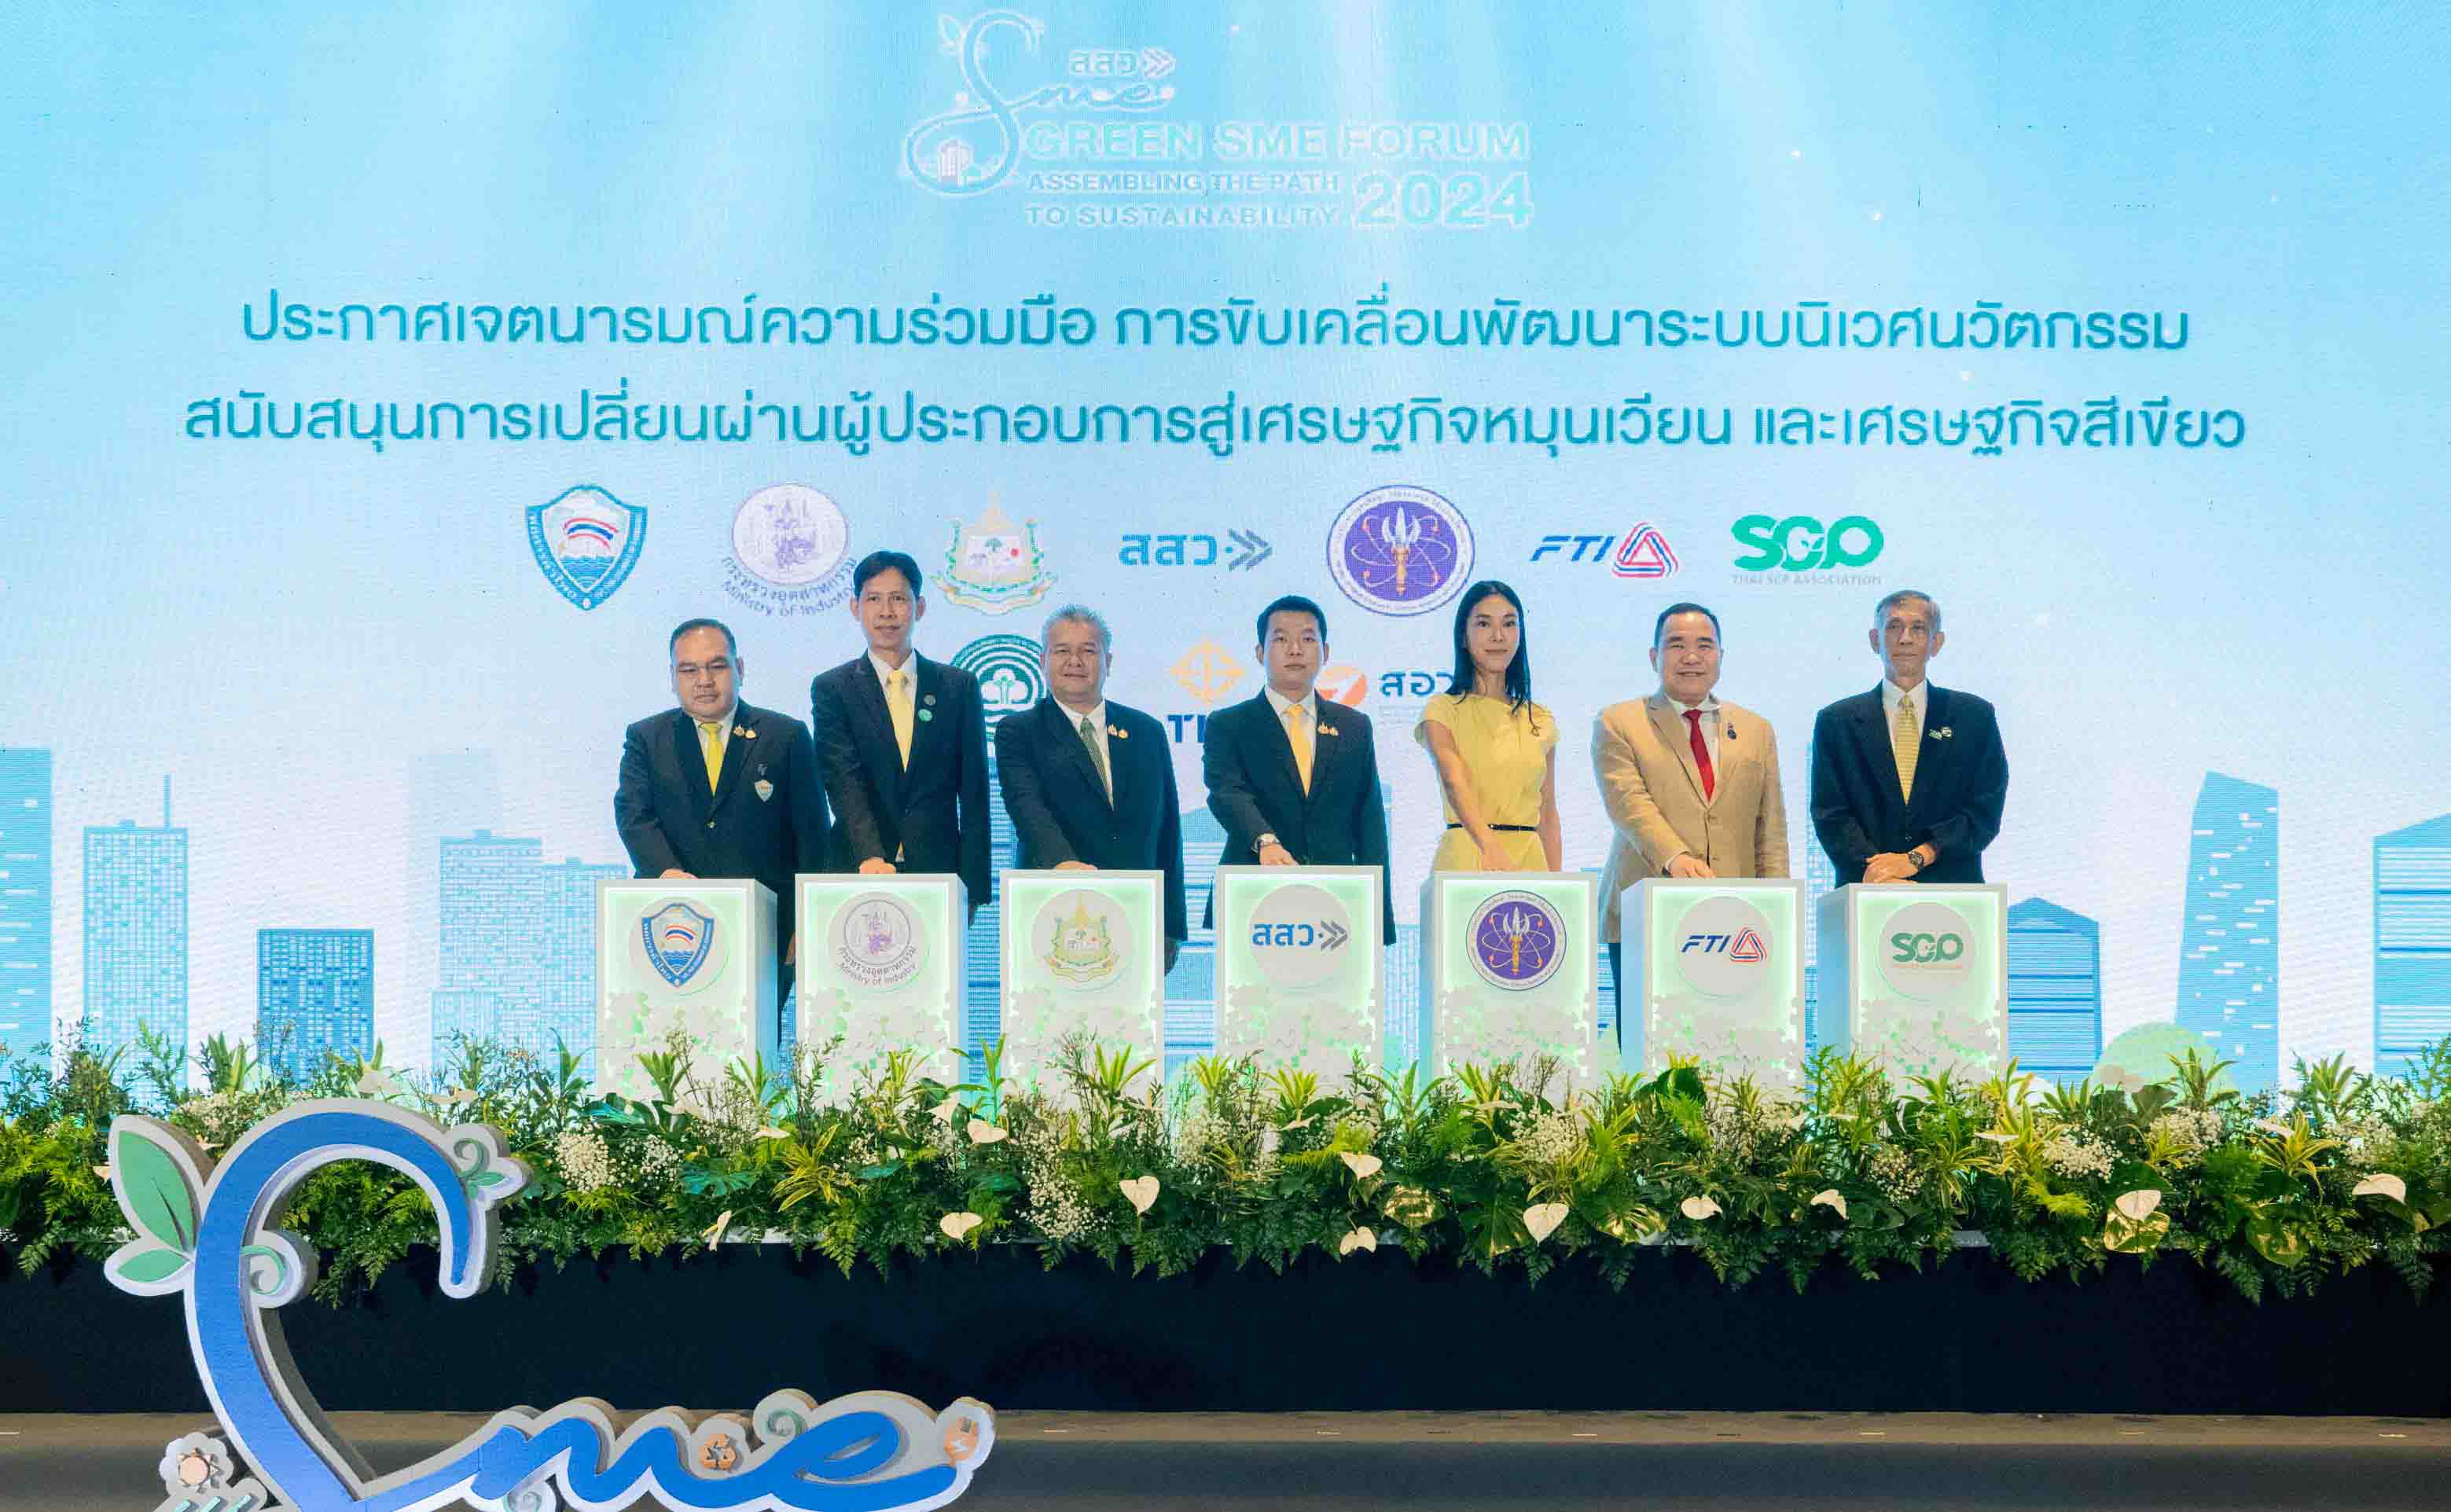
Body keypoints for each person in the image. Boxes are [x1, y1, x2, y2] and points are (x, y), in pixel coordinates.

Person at [1593, 602, 1790, 1050]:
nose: (1692, 657)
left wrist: (1777, 903)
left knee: (1732, 1049)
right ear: (1654, 656)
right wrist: (1676, 857)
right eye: (1676, 645)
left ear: (1720, 656)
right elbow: (1628, 803)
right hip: (1646, 910)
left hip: (1737, 922)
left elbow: (1771, 826)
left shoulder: (1757, 729)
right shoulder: (1618, 721)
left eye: (1704, 645)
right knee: (1649, 1052)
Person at [615, 617, 830, 989]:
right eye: (689, 670)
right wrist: (667, 872)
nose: (704, 680)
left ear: (739, 669)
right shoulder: (646, 738)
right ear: (673, 678)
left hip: (767, 930)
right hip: (672, 928)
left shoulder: (786, 736)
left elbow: (813, 837)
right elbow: (634, 816)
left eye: (716, 666)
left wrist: (805, 920)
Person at [994, 605, 1186, 971]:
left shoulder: (1146, 731)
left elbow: (1168, 833)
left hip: (1137, 912)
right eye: (1062, 650)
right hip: (1054, 910)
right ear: (1042, 660)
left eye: (1088, 650)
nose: (1075, 661)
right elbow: (1026, 807)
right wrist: (1066, 866)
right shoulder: (1018, 731)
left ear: (1108, 661)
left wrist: (1171, 925)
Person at [1200, 594, 1396, 944]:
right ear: (1260, 652)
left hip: (1338, 902)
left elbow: (1370, 824)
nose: (1295, 649)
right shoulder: (1229, 724)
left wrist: (1379, 920)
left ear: (1325, 652)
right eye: (1281, 639)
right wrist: (1266, 841)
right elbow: (1226, 794)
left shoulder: (1354, 726)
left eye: (1307, 639)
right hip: (1254, 894)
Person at [808, 551, 992, 916]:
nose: (887, 612)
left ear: (919, 607)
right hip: (859, 867)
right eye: (874, 599)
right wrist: (871, 856)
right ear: (855, 608)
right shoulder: (833, 688)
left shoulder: (958, 686)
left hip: (939, 872)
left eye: (899, 599)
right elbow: (843, 780)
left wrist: (974, 887)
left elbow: (975, 793)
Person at [1810, 589, 2007, 886]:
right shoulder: (1836, 721)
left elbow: (1984, 811)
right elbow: (1831, 814)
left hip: (1953, 893)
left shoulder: (1974, 717)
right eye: (1894, 627)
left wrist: (1916, 858)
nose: (1905, 639)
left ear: (1936, 643)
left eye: (1918, 628)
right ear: (1875, 640)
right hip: (1867, 890)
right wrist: (1882, 874)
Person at [1416, 581, 1561, 873]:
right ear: (1463, 636)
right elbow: (1454, 783)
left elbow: (1547, 811)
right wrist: (1490, 848)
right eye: (1484, 624)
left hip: (1530, 862)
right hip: (1468, 855)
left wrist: (1558, 886)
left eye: (1509, 624)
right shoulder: (1442, 710)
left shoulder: (1540, 718)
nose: (1498, 636)